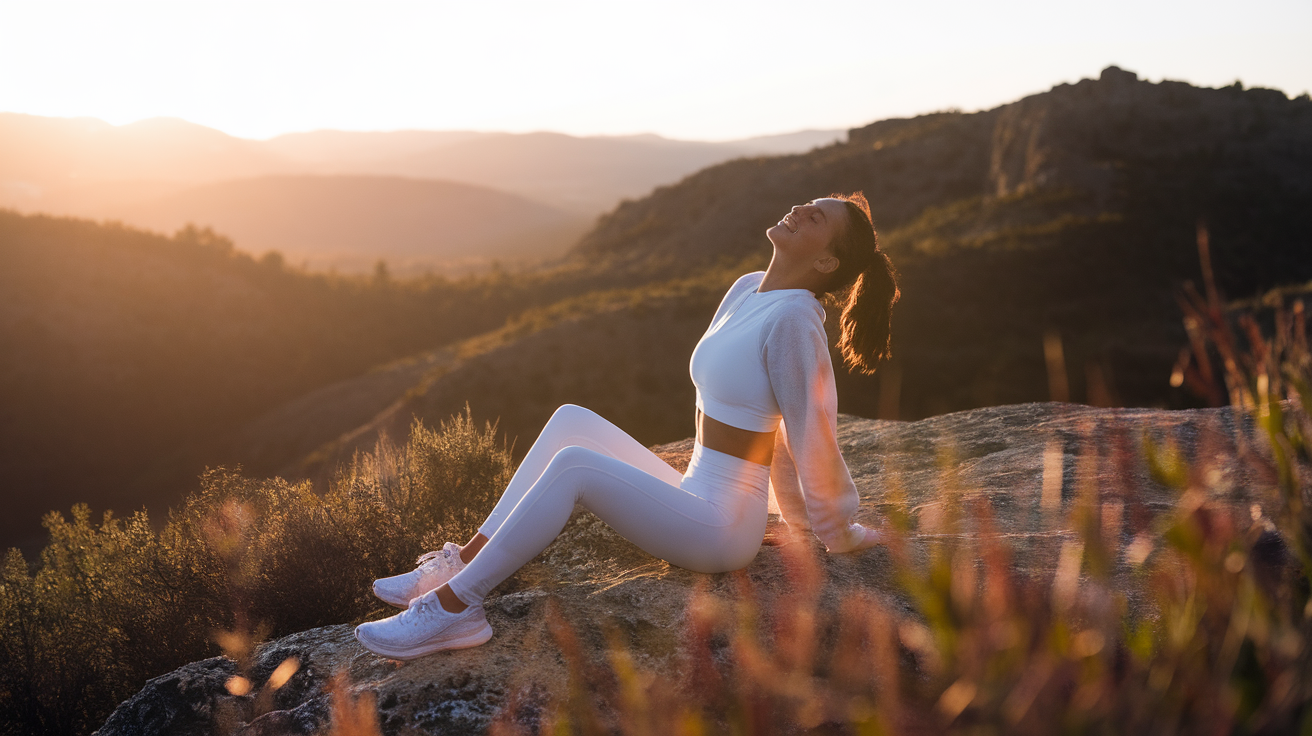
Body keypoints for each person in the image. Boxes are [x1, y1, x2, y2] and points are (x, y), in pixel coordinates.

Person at [354, 193, 901, 660]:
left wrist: (832, 530)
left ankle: (456, 608)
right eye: (810, 203)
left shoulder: (794, 322)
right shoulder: (748, 289)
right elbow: (731, 408)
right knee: (572, 420)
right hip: (694, 489)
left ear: (828, 263)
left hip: (723, 527)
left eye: (818, 219)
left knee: (575, 467)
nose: (802, 209)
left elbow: (809, 431)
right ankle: (458, 565)